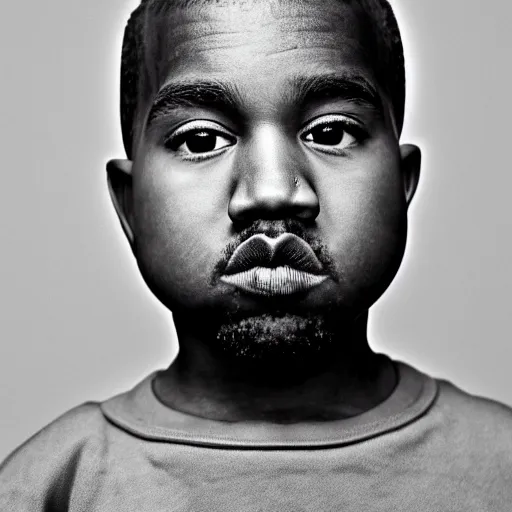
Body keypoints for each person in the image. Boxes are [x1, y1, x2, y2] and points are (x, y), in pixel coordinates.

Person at [1, 0, 511, 509]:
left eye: (330, 132)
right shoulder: (49, 486)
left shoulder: (500, 467)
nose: (271, 191)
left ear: (402, 186)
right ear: (130, 206)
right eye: (201, 139)